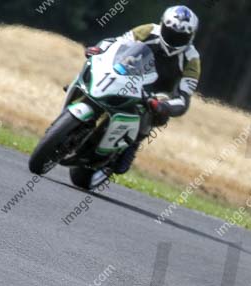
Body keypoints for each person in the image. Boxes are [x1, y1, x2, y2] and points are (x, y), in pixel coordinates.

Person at [84, 5, 201, 182]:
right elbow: (116, 43)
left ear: (190, 36)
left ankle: (132, 143)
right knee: (93, 68)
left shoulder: (192, 59)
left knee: (157, 113)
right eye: (171, 32)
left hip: (157, 92)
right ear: (163, 25)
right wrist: (100, 49)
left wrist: (164, 105)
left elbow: (184, 99)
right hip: (129, 75)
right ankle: (80, 98)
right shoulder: (147, 30)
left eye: (181, 36)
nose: (175, 38)